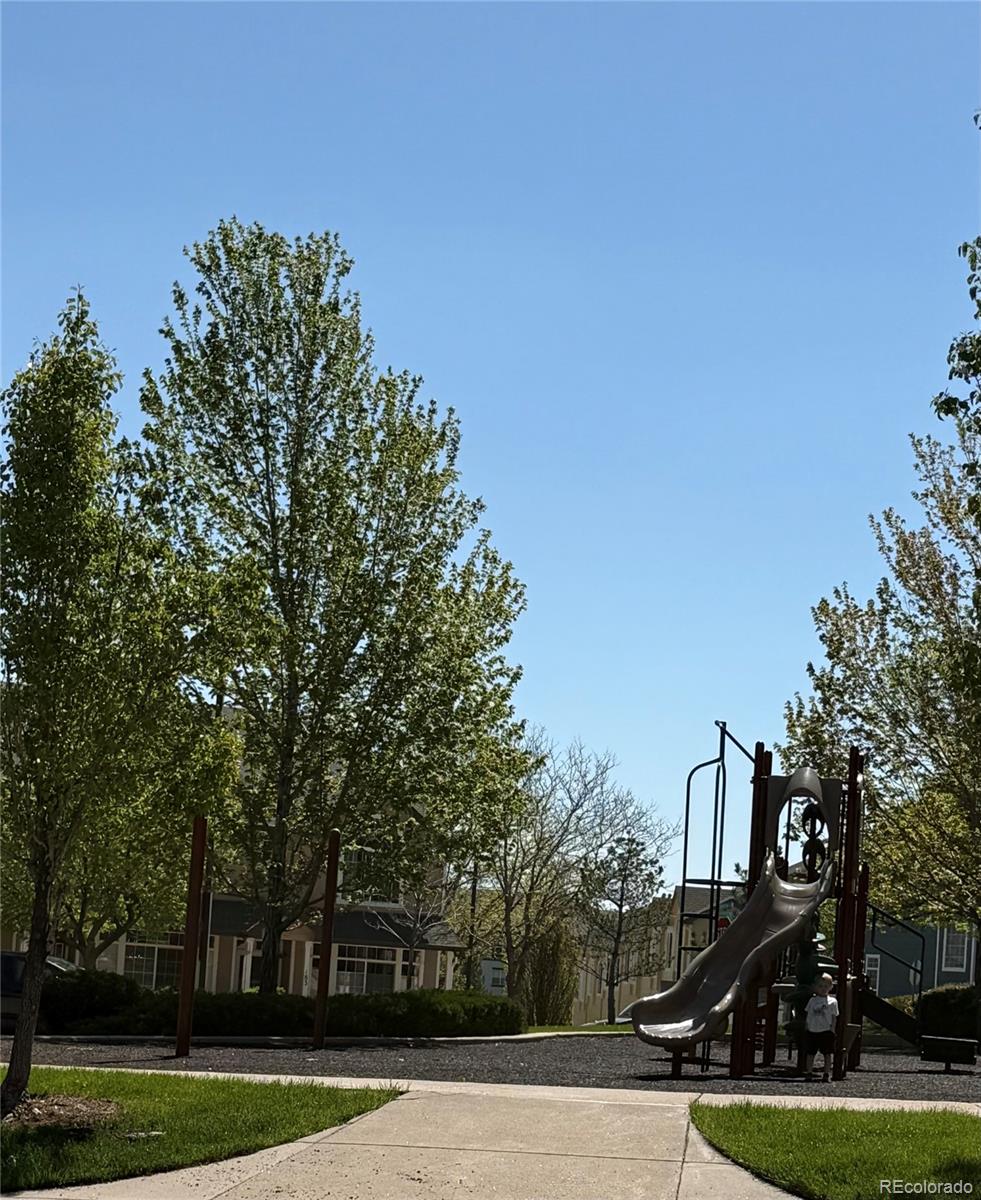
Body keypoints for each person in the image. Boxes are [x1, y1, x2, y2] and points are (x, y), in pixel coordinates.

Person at [803, 972, 838, 1082]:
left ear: (831, 987)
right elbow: (808, 1014)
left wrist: (833, 1029)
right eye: (820, 986)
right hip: (812, 1030)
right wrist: (807, 1025)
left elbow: (834, 1016)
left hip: (826, 1031)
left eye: (826, 986)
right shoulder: (812, 1000)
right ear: (815, 987)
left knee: (827, 1053)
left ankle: (826, 1073)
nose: (823, 989)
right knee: (810, 1053)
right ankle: (809, 1072)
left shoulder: (833, 1001)